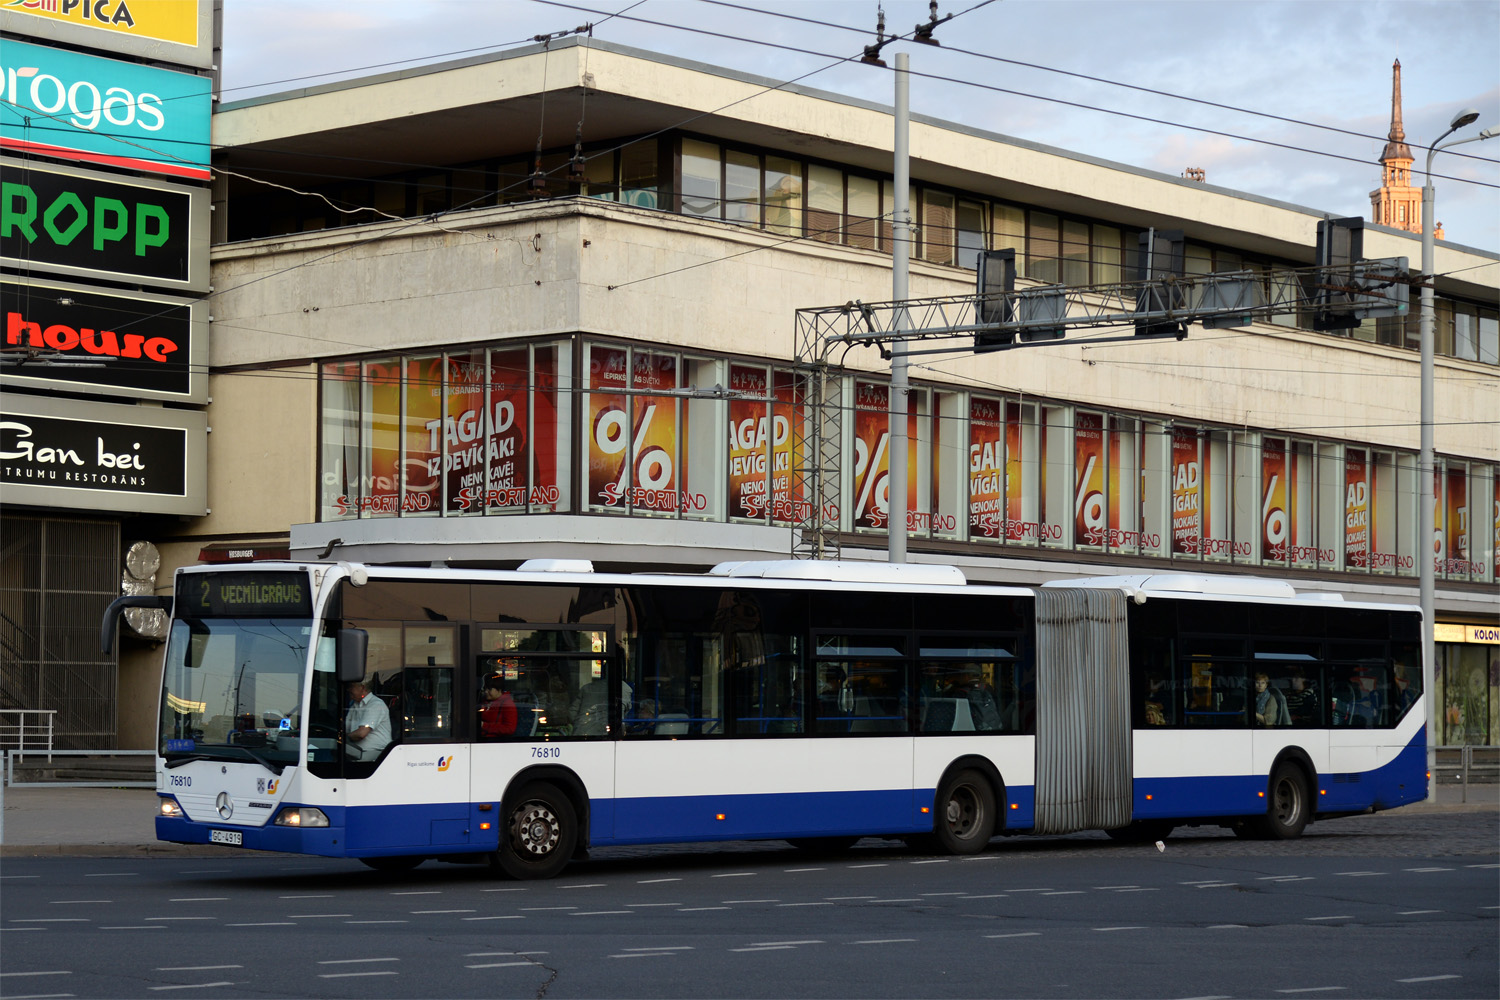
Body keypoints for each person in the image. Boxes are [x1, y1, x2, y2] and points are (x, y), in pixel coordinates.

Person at [344, 677, 392, 760]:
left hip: (375, 754)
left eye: (352, 686)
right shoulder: (355, 705)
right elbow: (346, 729)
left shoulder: (376, 705)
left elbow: (361, 734)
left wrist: (344, 737)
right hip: (355, 752)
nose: (349, 689)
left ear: (362, 687)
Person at [478, 673, 517, 739]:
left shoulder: (507, 705)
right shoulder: (485, 702)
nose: (486, 692)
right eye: (484, 689)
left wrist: (484, 725)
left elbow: (509, 729)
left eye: (489, 689)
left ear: (499, 689)